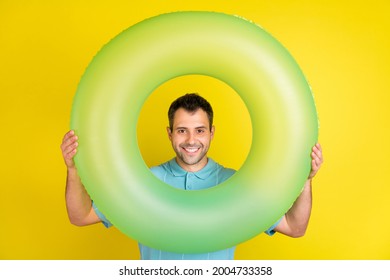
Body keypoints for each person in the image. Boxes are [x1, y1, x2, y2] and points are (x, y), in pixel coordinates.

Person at [61, 93, 323, 260]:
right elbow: (80, 216)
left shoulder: (237, 184)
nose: (191, 140)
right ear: (169, 133)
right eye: (182, 131)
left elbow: (294, 227)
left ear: (211, 133)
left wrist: (306, 180)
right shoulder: (143, 182)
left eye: (199, 130)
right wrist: (73, 170)